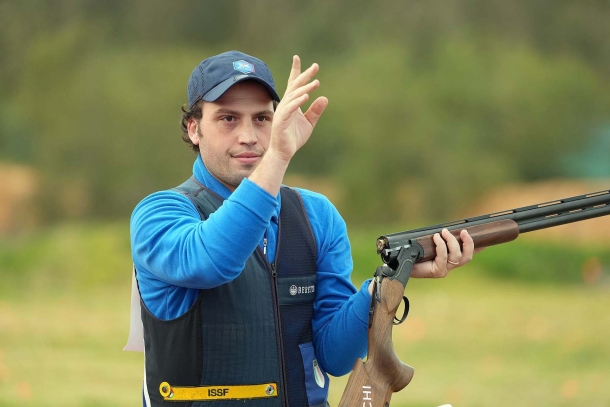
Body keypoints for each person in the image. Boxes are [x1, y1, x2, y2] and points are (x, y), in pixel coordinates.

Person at [129, 50, 475, 407]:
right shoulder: (159, 213)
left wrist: (387, 282)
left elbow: (335, 358)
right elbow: (213, 258)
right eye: (228, 119)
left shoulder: (317, 215)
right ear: (194, 129)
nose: (248, 136)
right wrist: (278, 157)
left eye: (262, 118)